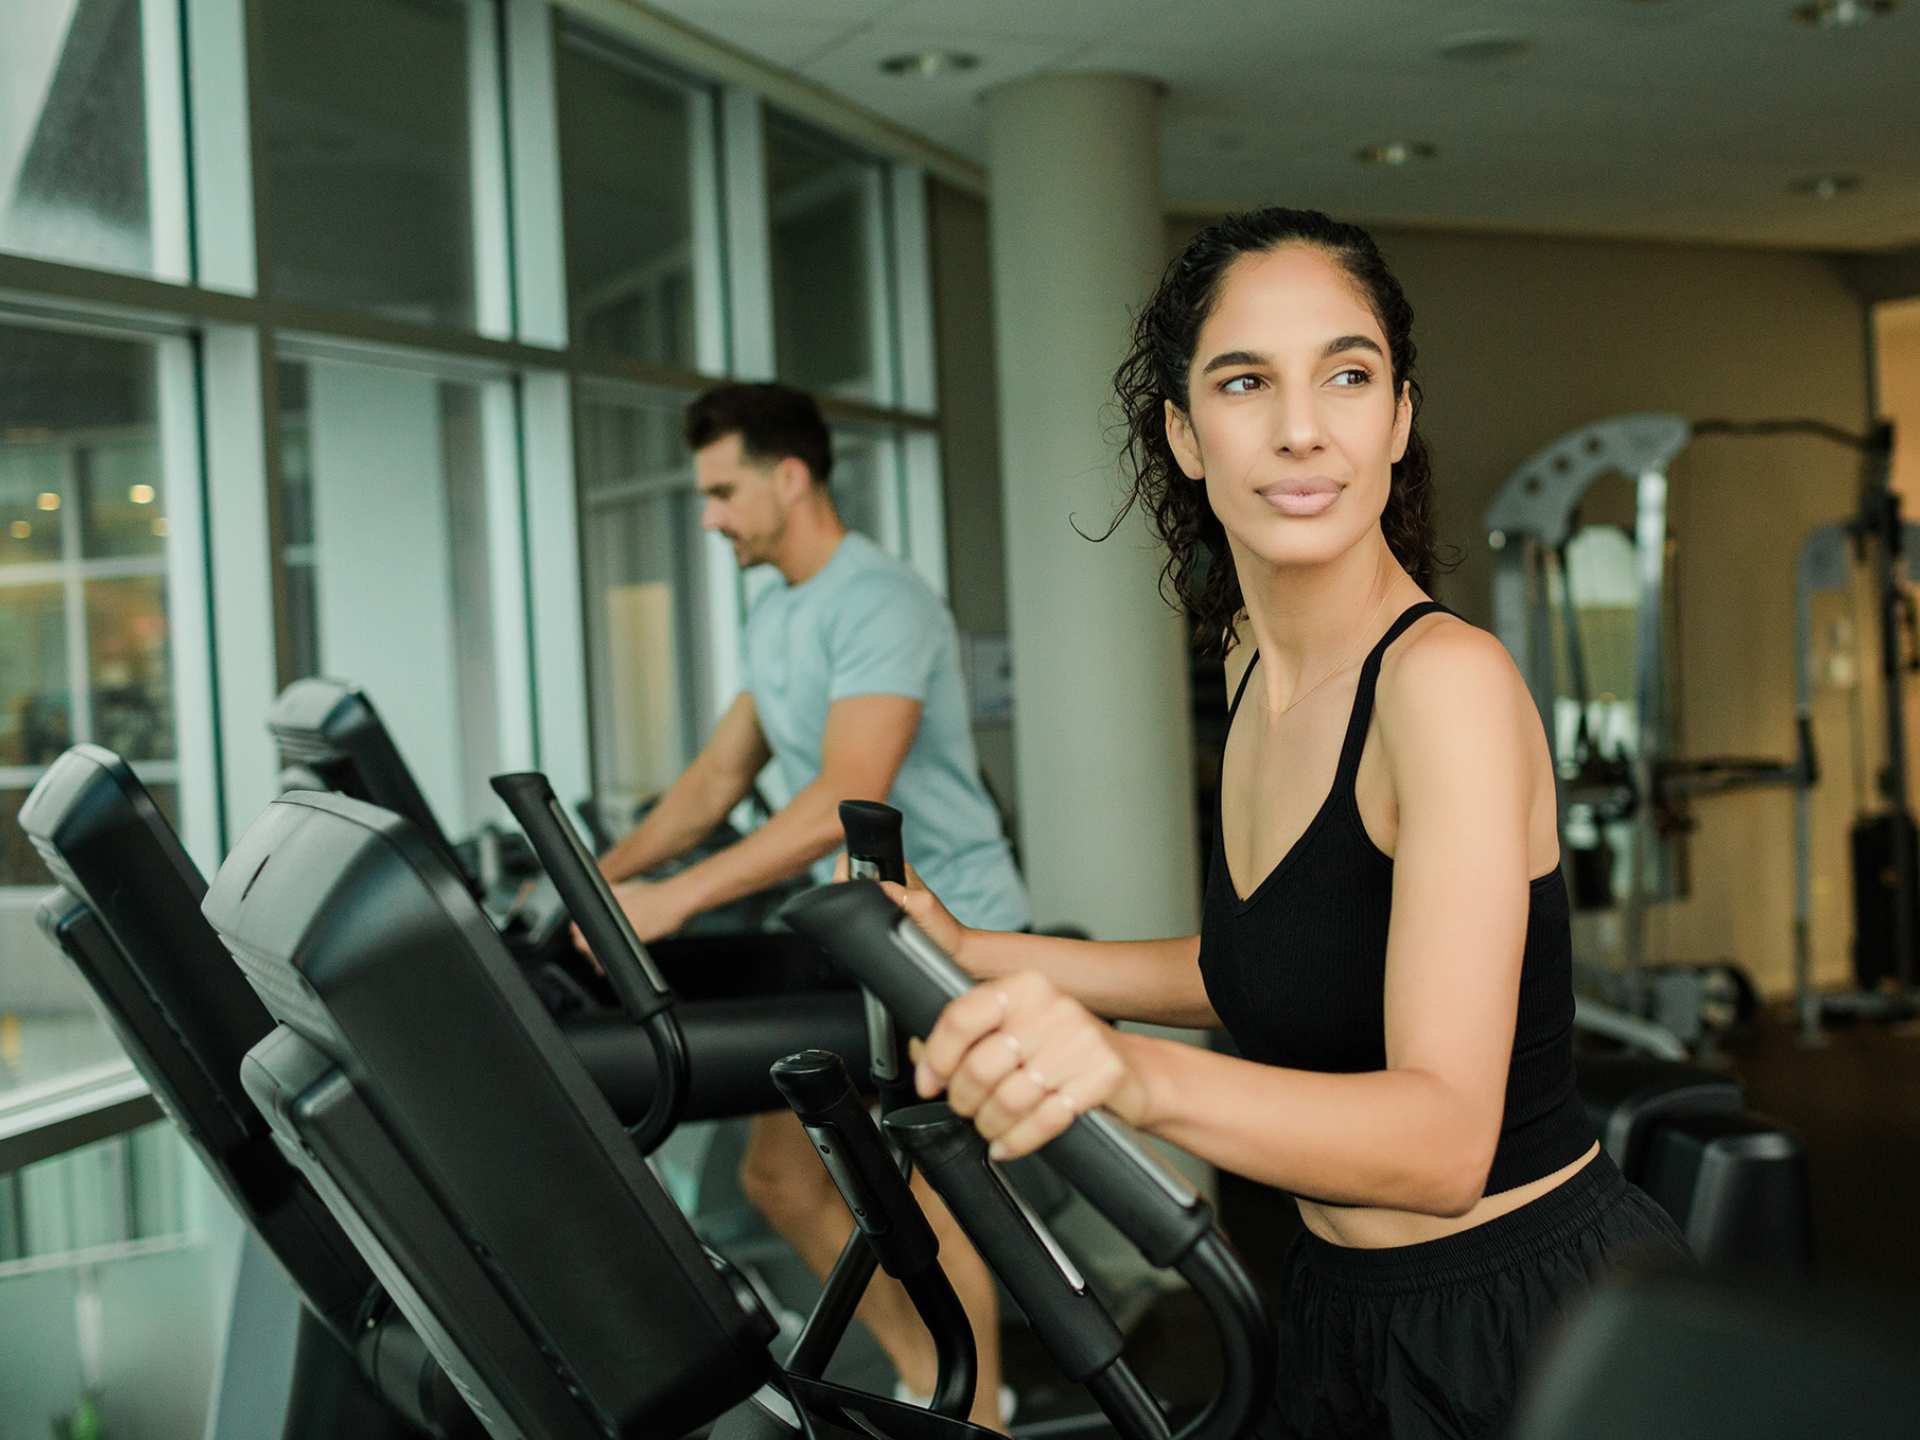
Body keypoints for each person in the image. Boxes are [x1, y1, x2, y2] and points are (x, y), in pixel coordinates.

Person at [874, 209, 1691, 1440]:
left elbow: (1440, 1141)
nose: (1302, 427)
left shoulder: (1442, 688)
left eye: (1347, 376)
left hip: (1525, 1324)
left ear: (1399, 419)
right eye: (1246, 381)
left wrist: (1132, 1075)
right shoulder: (1261, 664)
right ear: (1185, 435)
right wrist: (985, 954)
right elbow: (1255, 965)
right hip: (1343, 1304)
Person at [591, 382, 1029, 1430]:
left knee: (923, 1190)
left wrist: (675, 900)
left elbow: (845, 796)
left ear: (790, 478)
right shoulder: (779, 604)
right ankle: (935, 1384)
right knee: (783, 1180)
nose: (710, 516)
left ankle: (983, 1419)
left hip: (939, 928)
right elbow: (712, 782)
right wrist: (603, 880)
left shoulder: (879, 600)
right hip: (847, 937)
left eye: (723, 491)